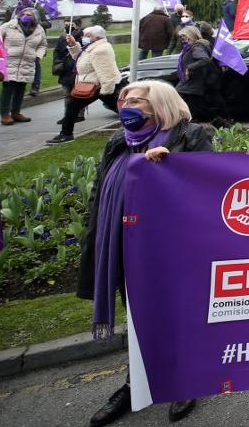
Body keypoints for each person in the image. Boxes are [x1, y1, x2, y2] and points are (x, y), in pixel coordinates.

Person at [78, 80, 210, 427]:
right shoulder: (118, 140)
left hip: (171, 244)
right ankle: (134, 381)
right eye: (124, 100)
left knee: (175, 311)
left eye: (137, 100)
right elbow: (100, 189)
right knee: (137, 315)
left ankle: (183, 380)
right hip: (123, 241)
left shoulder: (190, 136)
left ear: (160, 106)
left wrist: (170, 165)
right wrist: (96, 234)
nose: (126, 105)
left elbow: (209, 185)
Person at [48, 25, 122, 144]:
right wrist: (73, 44)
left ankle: (66, 134)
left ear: (96, 37)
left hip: (98, 85)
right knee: (119, 107)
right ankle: (139, 122)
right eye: (84, 35)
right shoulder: (92, 47)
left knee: (73, 106)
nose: (84, 38)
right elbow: (79, 58)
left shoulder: (100, 50)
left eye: (87, 36)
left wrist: (106, 89)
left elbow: (106, 71)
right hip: (96, 85)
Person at [0, 8, 47, 124]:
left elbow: (43, 45)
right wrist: (2, 53)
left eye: (29, 15)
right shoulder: (9, 26)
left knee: (20, 89)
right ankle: (5, 115)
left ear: (35, 17)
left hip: (27, 63)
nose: (26, 16)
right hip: (9, 61)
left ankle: (16, 113)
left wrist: (38, 56)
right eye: (24, 14)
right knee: (8, 89)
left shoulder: (39, 30)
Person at [175, 25, 216, 122]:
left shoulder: (196, 47)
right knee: (195, 106)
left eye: (184, 36)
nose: (183, 39)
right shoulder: (192, 47)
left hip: (193, 81)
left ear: (190, 35)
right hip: (190, 81)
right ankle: (192, 120)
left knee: (196, 106)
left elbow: (205, 59)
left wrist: (189, 67)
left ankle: (217, 122)